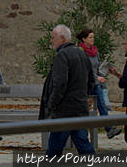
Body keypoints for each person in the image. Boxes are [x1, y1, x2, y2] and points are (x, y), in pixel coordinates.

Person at [39, 24, 95, 157]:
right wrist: (83, 97)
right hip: (80, 108)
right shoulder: (82, 54)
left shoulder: (62, 56)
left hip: (64, 111)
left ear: (62, 38)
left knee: (54, 150)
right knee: (84, 146)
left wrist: (51, 104)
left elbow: (59, 84)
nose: (51, 41)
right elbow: (91, 81)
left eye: (53, 38)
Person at [76, 28, 121, 139]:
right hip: (84, 84)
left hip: (95, 83)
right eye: (90, 37)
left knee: (102, 105)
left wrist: (106, 69)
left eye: (93, 37)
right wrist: (97, 78)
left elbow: (96, 68)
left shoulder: (95, 51)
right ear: (84, 39)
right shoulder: (79, 52)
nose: (93, 39)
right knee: (83, 109)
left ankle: (109, 129)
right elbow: (83, 70)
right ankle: (81, 133)